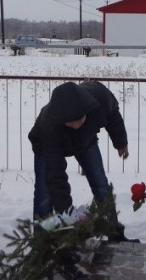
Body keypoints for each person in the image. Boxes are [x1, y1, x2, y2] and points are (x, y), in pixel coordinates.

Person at [29, 80, 130, 240]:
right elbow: (56, 175)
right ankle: (42, 241)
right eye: (69, 121)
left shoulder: (100, 99)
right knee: (44, 192)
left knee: (100, 183)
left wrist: (121, 142)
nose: (75, 124)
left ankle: (113, 232)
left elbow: (113, 115)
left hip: (85, 141)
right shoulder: (49, 126)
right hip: (47, 147)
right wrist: (68, 214)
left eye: (78, 119)